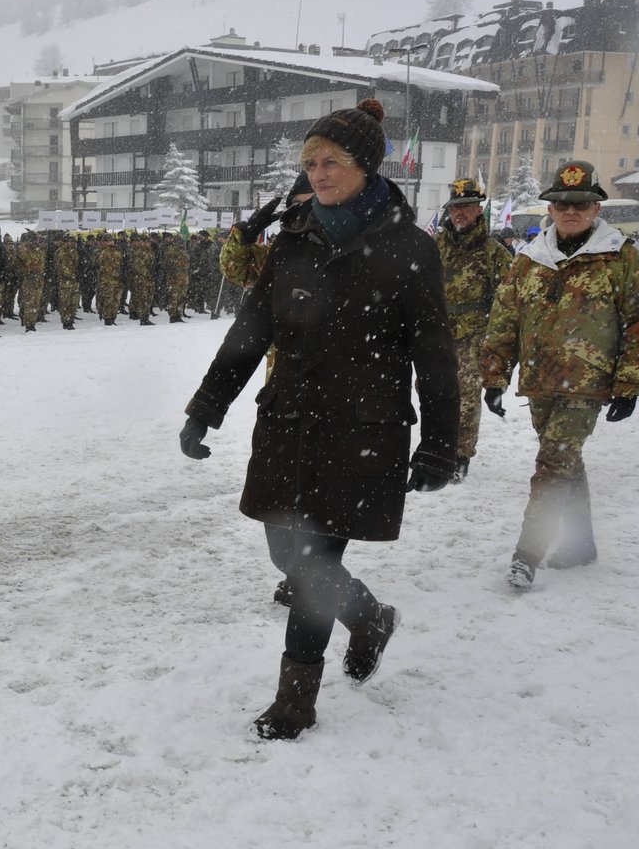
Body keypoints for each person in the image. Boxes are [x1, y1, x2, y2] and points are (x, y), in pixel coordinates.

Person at [178, 98, 458, 740]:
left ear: (366, 166)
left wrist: (442, 442)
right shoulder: (292, 244)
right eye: (309, 162)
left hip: (362, 430)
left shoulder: (410, 248)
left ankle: (296, 699)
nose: (318, 173)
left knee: (310, 562)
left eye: (331, 161)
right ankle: (368, 618)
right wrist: (207, 406)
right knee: (288, 554)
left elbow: (435, 355)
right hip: (289, 422)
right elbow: (250, 332)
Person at [481, 160, 639, 591]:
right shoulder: (530, 259)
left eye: (580, 204)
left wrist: (629, 384)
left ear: (596, 209)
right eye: (562, 204)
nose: (570, 212)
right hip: (541, 381)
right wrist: (494, 377)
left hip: (587, 384)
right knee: (565, 464)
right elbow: (504, 319)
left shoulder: (619, 257)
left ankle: (526, 555)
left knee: (552, 465)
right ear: (550, 209)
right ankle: (582, 545)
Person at [435, 177, 513, 483]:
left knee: (466, 397)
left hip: (474, 334)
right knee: (436, 394)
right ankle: (437, 449)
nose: (459, 213)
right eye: (455, 208)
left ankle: (461, 455)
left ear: (479, 209)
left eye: (466, 206)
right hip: (438, 334)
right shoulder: (436, 245)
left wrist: (495, 340)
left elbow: (507, 300)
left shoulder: (494, 252)